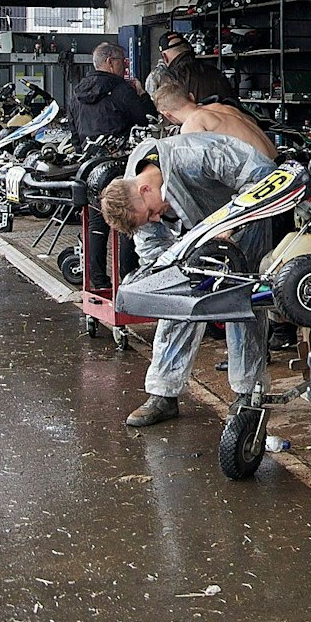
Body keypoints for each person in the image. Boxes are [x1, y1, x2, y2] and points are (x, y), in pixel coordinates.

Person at [99, 133, 277, 427]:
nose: (155, 219)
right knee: (176, 300)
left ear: (145, 189)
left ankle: (249, 393)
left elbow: (263, 175)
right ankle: (163, 394)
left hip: (244, 230)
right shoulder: (134, 186)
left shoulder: (195, 155)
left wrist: (231, 223)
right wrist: (173, 270)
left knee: (244, 304)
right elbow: (151, 245)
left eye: (152, 213)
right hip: (196, 243)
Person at [71, 42, 157, 292]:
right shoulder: (122, 90)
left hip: (90, 168)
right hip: (121, 168)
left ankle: (98, 282)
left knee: (97, 224)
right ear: (110, 62)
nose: (126, 66)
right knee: (128, 221)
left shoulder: (77, 91)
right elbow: (147, 119)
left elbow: (73, 131)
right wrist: (142, 95)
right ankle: (127, 281)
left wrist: (85, 159)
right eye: (123, 61)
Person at [151, 78, 277, 160]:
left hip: (262, 173)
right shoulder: (221, 107)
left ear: (167, 114)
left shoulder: (193, 123)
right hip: (276, 161)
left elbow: (200, 165)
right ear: (192, 97)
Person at [145, 34, 233, 108]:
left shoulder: (167, 77)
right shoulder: (215, 72)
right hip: (222, 126)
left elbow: (166, 111)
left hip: (188, 127)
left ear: (164, 57)